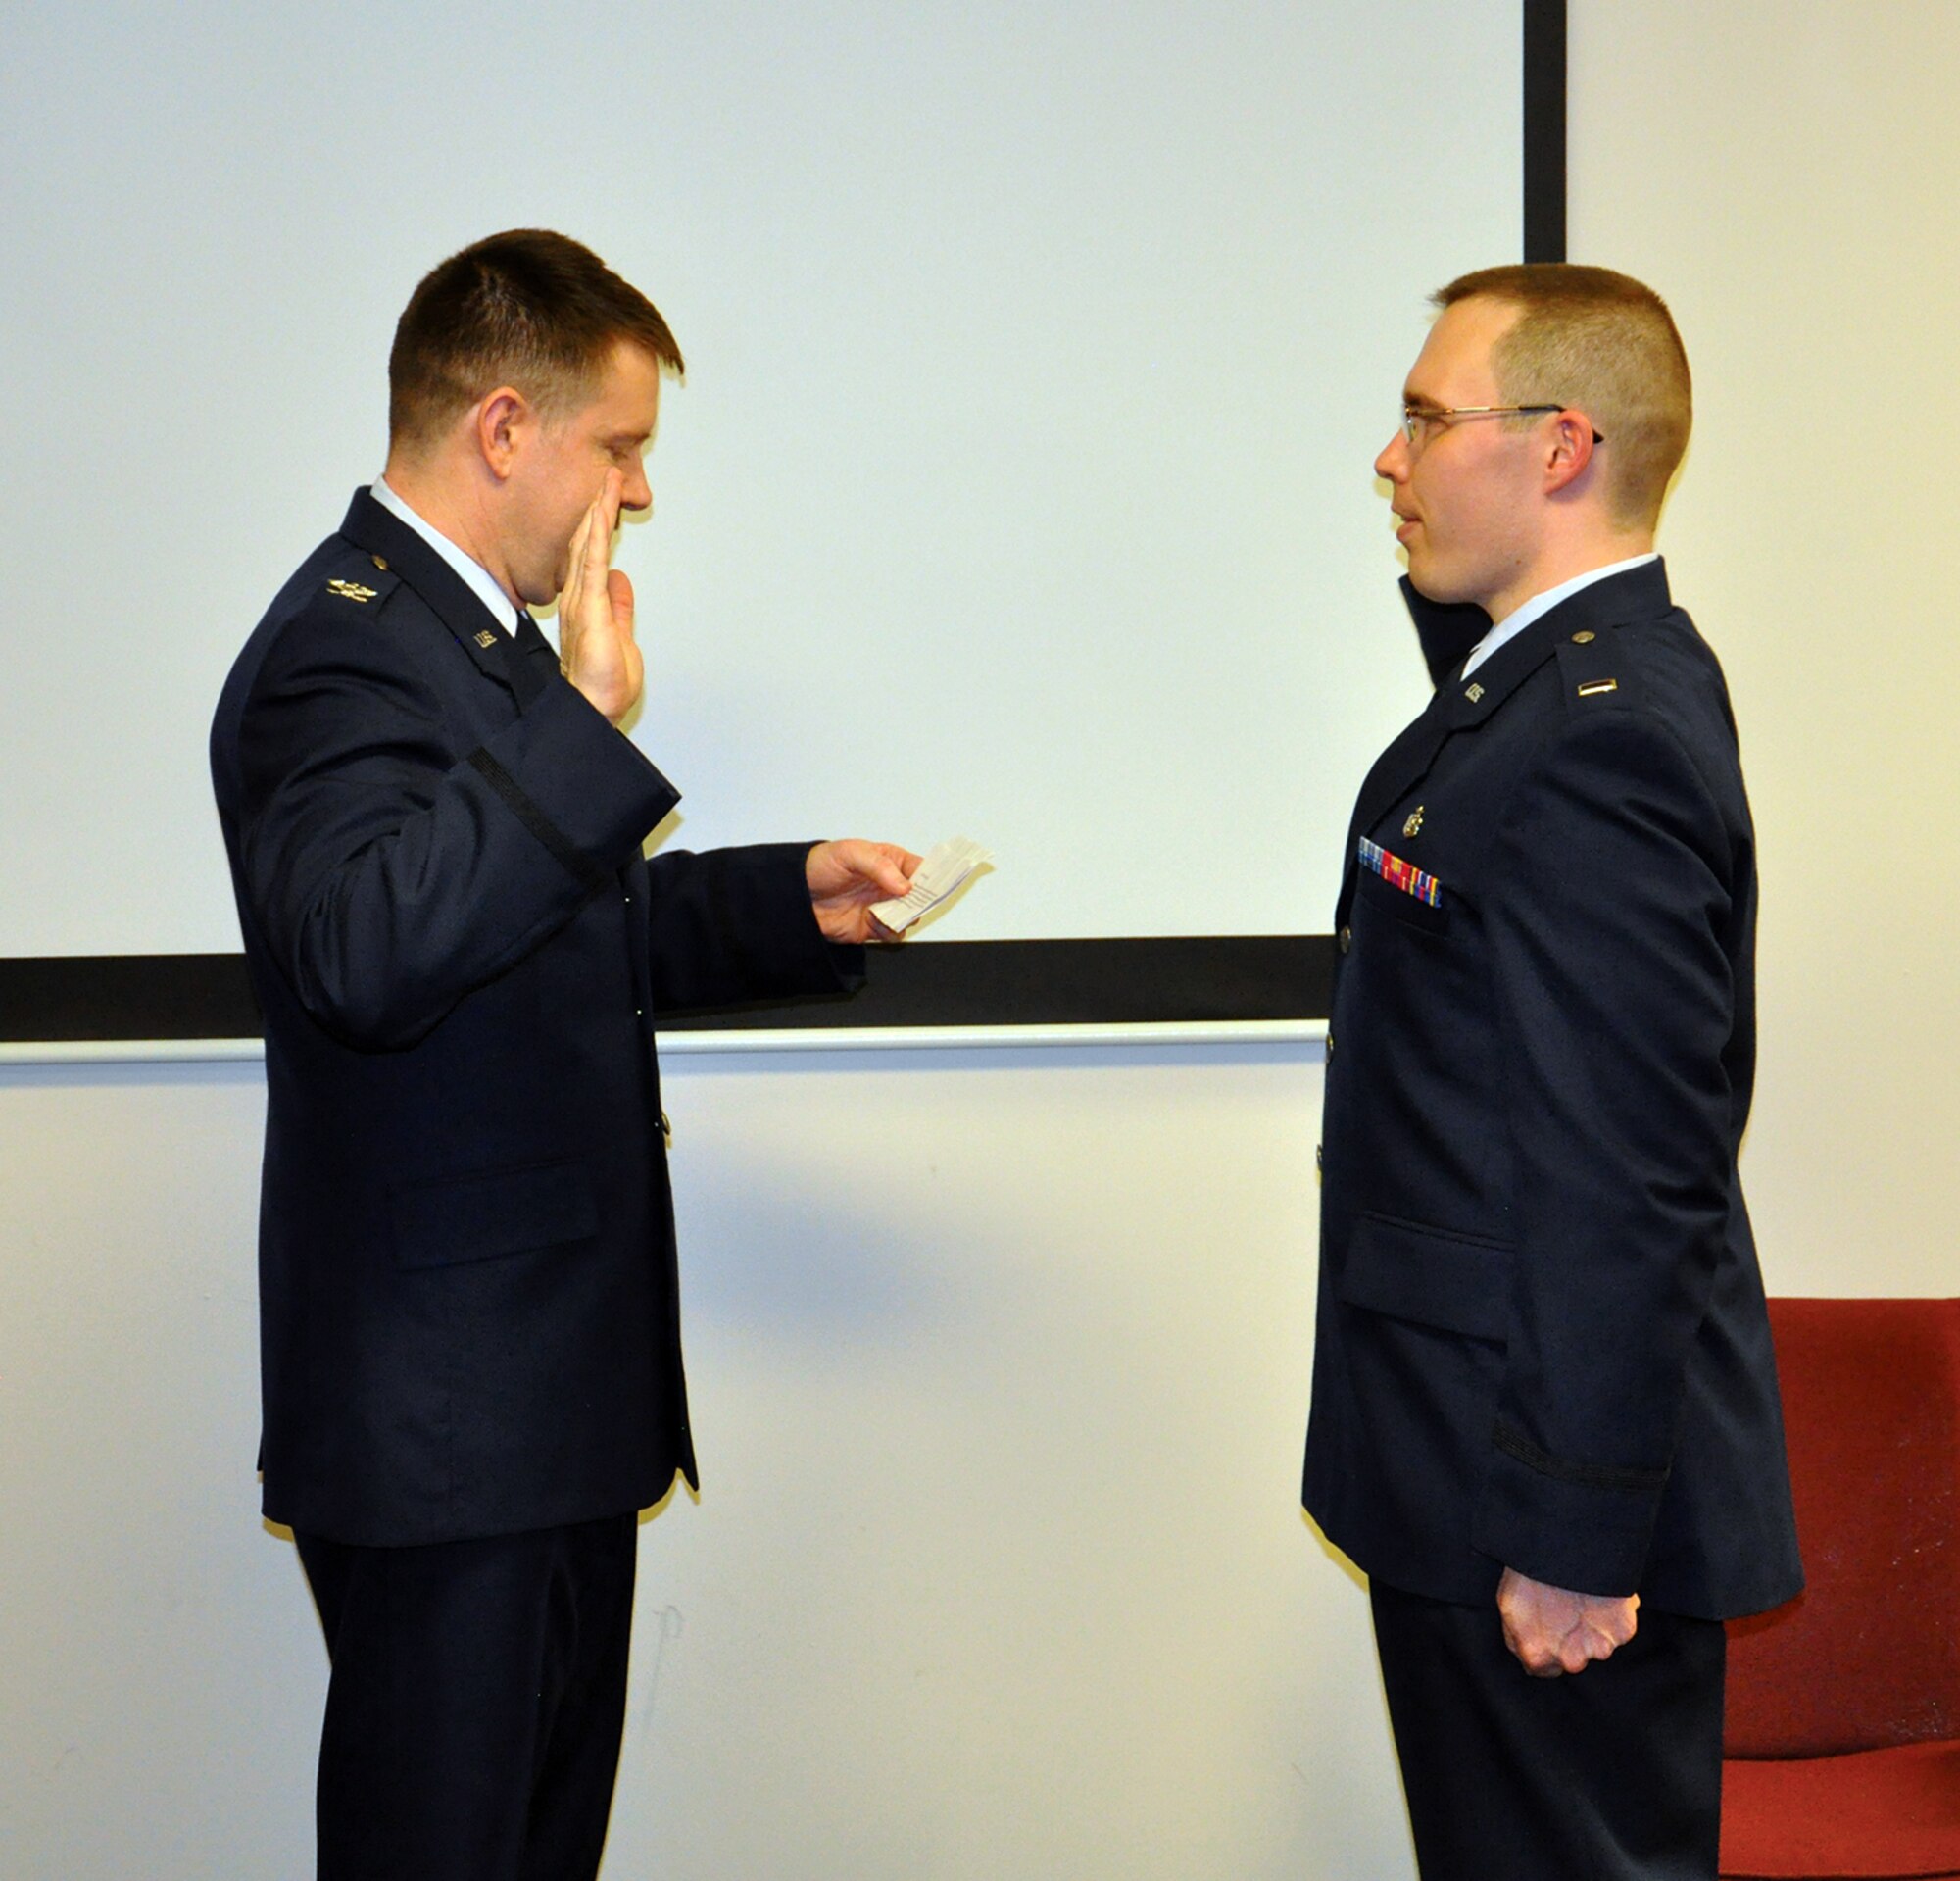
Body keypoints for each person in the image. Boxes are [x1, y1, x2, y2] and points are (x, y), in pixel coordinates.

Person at [210, 228, 920, 1881]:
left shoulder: (470, 652)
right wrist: (579, 730)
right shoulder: (337, 650)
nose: (641, 494)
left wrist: (783, 907)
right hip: (450, 1425)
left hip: (537, 1408)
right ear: (506, 429)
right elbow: (363, 953)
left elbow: (540, 931)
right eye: (622, 448)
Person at [1301, 264, 1802, 1879]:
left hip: (1542, 1501)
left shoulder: (1602, 730)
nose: (1390, 459)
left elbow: (1628, 1165)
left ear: (1564, 444)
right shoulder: (1544, 680)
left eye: (1427, 420)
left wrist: (1576, 1530)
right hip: (1473, 1458)